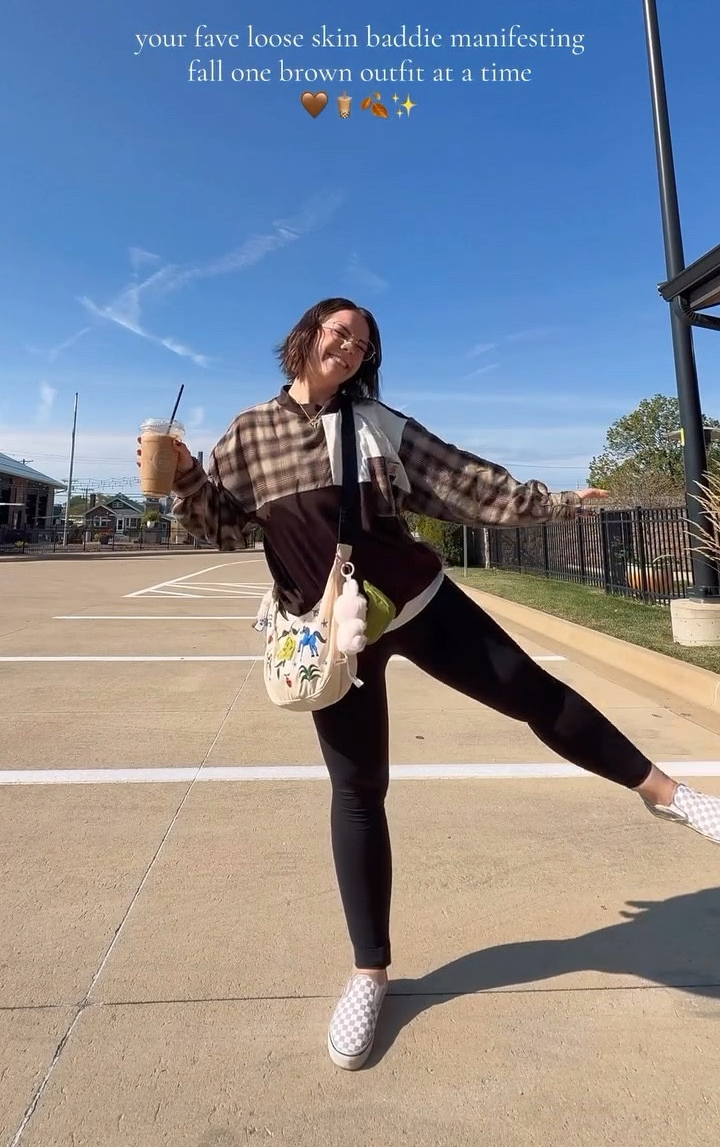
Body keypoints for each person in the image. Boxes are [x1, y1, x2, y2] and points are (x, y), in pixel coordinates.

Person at [148, 297, 720, 1072]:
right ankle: (369, 972)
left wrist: (554, 499)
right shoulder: (248, 434)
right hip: (329, 635)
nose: (348, 349)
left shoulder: (378, 425)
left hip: (417, 601)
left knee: (535, 695)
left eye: (362, 344)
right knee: (358, 790)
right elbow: (225, 526)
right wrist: (184, 478)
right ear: (306, 336)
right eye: (338, 333)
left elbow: (465, 483)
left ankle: (668, 794)